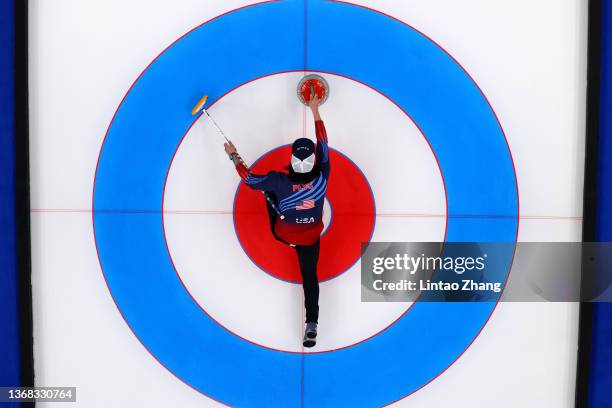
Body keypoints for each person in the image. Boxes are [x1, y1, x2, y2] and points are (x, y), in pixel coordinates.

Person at [223, 94, 329, 348]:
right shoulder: (323, 177)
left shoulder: (277, 181)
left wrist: (234, 155)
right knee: (309, 277)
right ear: (313, 162)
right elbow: (323, 141)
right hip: (311, 238)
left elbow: (249, 180)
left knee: (266, 191)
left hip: (283, 233)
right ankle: (311, 323)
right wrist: (314, 109)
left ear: (292, 161)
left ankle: (277, 209)